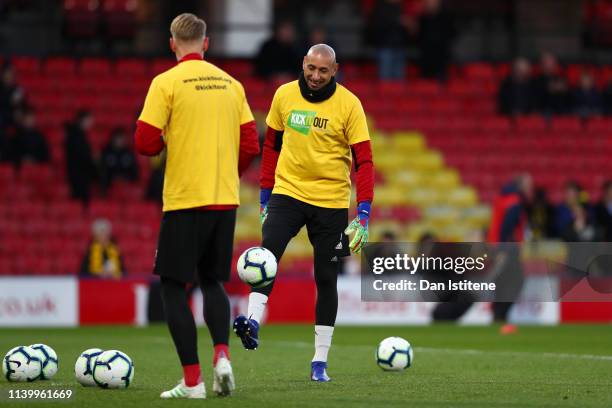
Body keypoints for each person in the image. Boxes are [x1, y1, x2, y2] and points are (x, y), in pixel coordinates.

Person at [134, 13, 259, 399]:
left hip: (185, 199)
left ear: (172, 43)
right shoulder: (232, 84)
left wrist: (167, 142)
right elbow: (252, 145)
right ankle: (222, 355)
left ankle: (193, 382)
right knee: (213, 282)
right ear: (206, 44)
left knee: (173, 286)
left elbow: (144, 141)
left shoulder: (165, 82)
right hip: (224, 199)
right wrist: (228, 175)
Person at [233, 44, 375, 382]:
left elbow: (365, 161)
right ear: (303, 64)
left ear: (335, 70)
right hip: (287, 194)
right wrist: (266, 197)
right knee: (267, 258)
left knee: (327, 279)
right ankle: (252, 322)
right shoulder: (283, 96)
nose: (315, 76)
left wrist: (364, 213)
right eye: (311, 68)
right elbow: (271, 147)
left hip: (333, 203)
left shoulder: (350, 104)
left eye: (323, 71)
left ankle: (319, 362)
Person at [486, 174, 532, 334]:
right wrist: (504, 248)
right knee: (517, 280)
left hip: (498, 245)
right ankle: (500, 314)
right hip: (507, 248)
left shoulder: (503, 197)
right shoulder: (514, 200)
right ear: (520, 185)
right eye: (528, 184)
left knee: (503, 281)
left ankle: (498, 315)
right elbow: (508, 224)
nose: (530, 188)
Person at [64, 110, 97, 205]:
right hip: (78, 174)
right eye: (89, 120)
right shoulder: (76, 136)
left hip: (80, 173)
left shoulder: (78, 135)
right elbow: (81, 155)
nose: (91, 123)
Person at [100, 127, 139, 194]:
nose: (120, 141)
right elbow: (102, 171)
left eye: (122, 138)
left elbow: (134, 172)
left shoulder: (128, 153)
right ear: (113, 139)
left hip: (126, 186)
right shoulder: (106, 152)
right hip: (109, 186)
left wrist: (125, 179)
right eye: (118, 138)